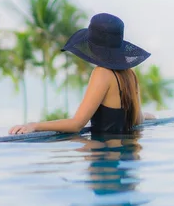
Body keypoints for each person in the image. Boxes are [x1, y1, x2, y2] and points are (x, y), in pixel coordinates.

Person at [9, 13, 156, 135]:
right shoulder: (130, 74)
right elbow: (137, 120)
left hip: (105, 162)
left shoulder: (102, 73)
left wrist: (34, 126)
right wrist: (147, 115)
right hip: (127, 160)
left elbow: (77, 124)